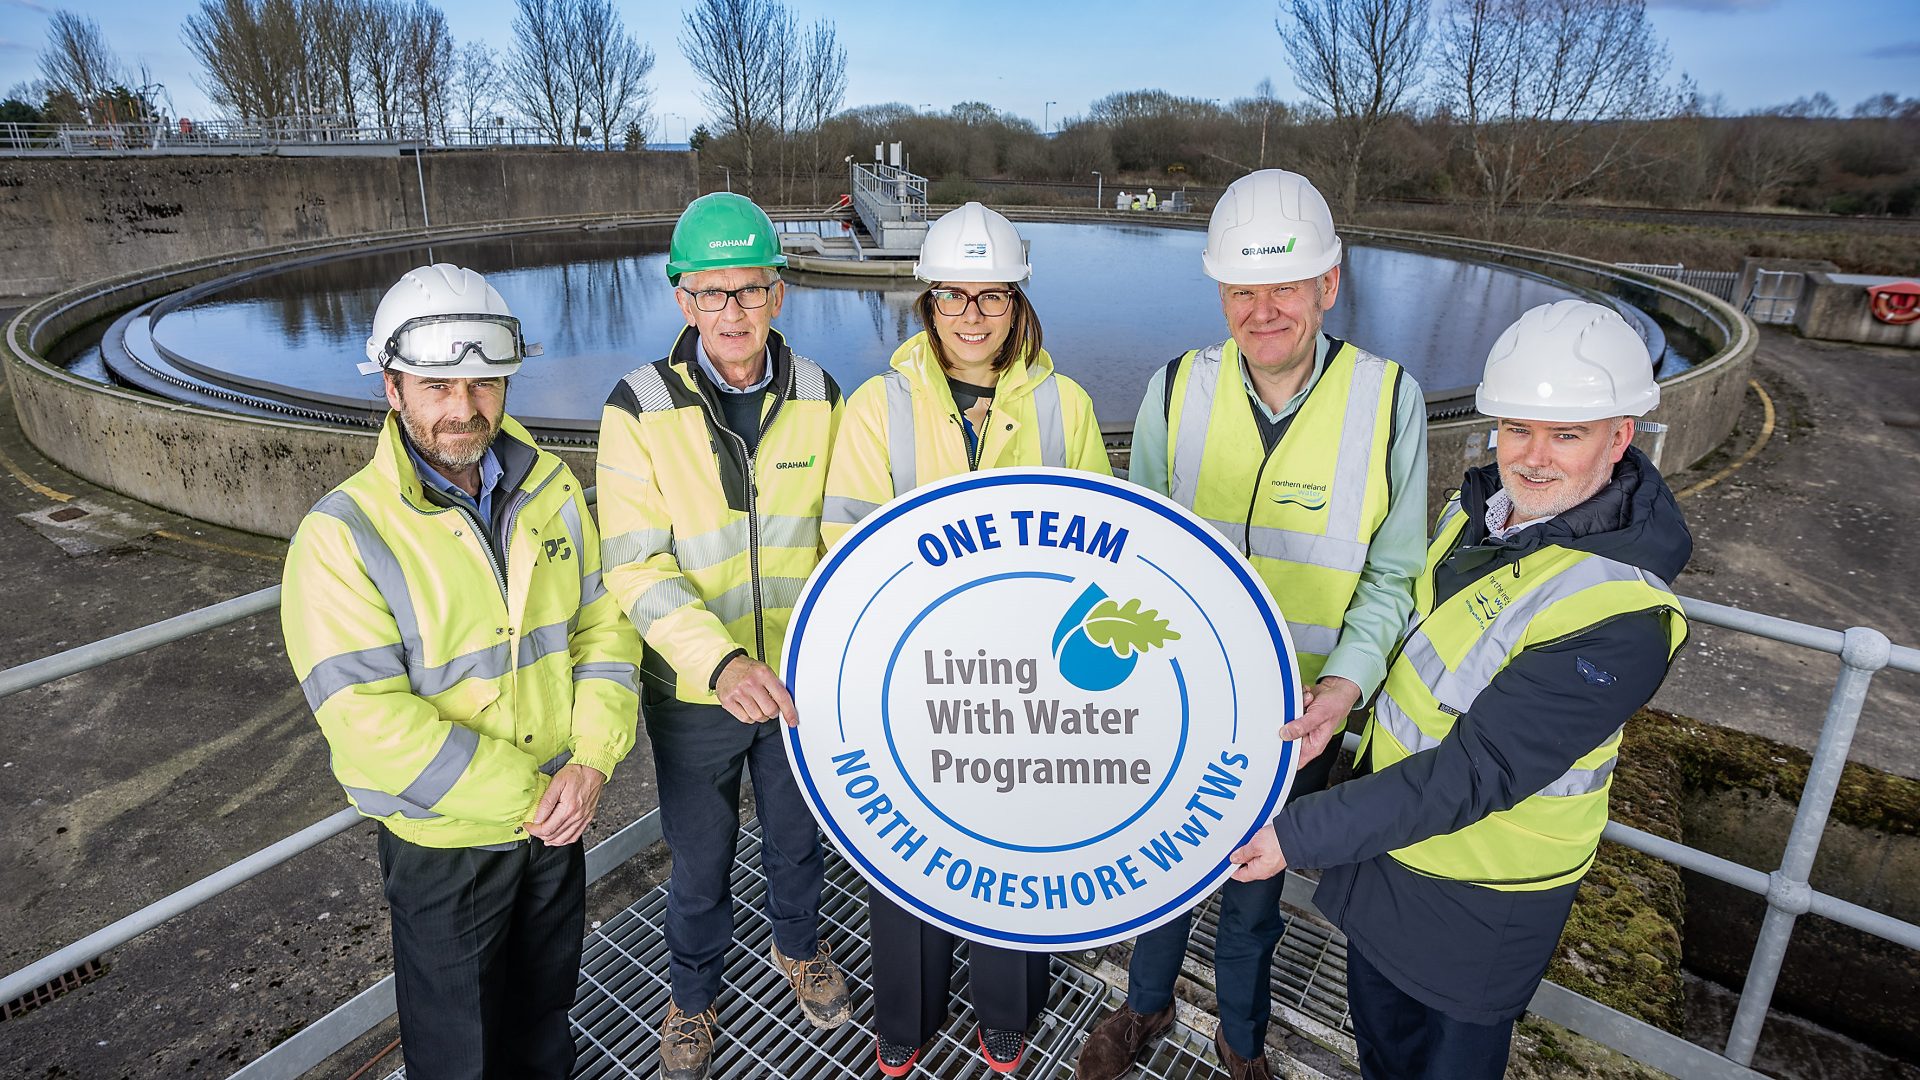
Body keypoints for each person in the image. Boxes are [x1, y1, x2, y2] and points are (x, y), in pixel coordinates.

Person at [1225, 299, 1691, 1078]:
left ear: (1620, 438)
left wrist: (1297, 835)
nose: (1533, 457)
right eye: (1517, 429)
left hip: (1482, 896)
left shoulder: (1624, 614)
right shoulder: (1473, 515)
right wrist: (1345, 699)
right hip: (1389, 859)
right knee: (1380, 1043)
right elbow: (1423, 653)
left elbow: (1477, 772)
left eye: (1566, 434)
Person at [1077, 169, 1428, 1080]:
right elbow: (1133, 550)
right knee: (1153, 871)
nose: (1263, 309)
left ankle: (1242, 1041)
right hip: (1176, 702)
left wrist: (1344, 687)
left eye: (1284, 286)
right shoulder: (1175, 387)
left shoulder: (1389, 400)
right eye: (1241, 289)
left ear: (1330, 283)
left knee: (1254, 893)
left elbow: (1393, 575)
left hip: (1297, 720)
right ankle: (1144, 1010)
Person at [281, 264, 640, 1080]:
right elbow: (370, 723)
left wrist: (592, 762)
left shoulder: (550, 489)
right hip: (449, 844)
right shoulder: (344, 537)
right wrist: (536, 796)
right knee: (458, 1053)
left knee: (545, 1014)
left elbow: (603, 627)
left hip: (560, 817)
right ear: (392, 387)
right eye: (438, 383)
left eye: (484, 382)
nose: (463, 407)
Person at [822, 202, 1113, 1076]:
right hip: (914, 677)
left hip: (1030, 684)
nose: (974, 316)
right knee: (911, 846)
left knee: (1015, 847)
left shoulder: (1066, 405)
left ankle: (1008, 1013)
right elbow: (847, 541)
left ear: (1019, 303)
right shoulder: (880, 406)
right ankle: (906, 1017)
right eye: (955, 298)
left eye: (993, 297)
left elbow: (1102, 541)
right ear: (928, 304)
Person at [596, 193, 850, 1080]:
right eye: (712, 294)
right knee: (698, 859)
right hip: (697, 690)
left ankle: (800, 950)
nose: (732, 312)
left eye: (749, 291)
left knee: (796, 835)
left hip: (794, 682)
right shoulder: (638, 406)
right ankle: (692, 997)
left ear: (779, 293)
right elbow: (633, 564)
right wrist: (721, 660)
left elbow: (841, 538)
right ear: (682, 299)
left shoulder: (822, 395)